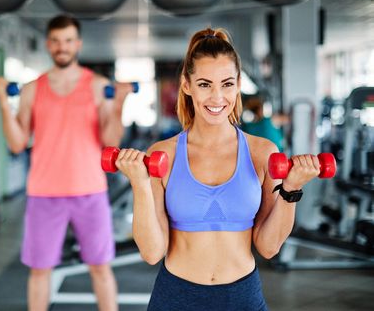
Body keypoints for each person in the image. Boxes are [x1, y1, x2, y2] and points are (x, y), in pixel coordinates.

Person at [114, 28, 321, 310]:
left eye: (226, 84)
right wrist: (139, 183)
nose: (217, 97)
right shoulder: (164, 154)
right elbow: (152, 253)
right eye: (204, 84)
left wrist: (292, 189)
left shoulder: (263, 153)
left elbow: (268, 247)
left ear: (237, 85)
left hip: (242, 297)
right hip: (176, 297)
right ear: (186, 85)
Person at [0, 15, 132, 311]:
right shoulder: (32, 89)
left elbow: (111, 142)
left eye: (68, 41)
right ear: (48, 44)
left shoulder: (97, 86)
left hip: (90, 191)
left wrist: (118, 104)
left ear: (77, 44)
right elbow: (17, 142)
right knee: (40, 272)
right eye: (55, 41)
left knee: (100, 268)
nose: (62, 47)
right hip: (44, 194)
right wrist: (4, 103)